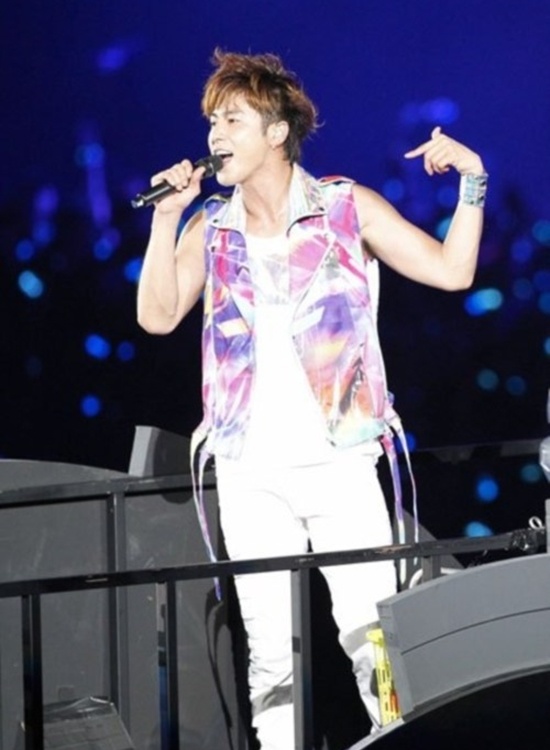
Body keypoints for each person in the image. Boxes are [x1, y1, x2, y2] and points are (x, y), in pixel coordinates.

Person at [136, 49, 486, 750]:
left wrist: (472, 181)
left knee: (373, 636)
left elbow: (452, 272)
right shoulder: (213, 225)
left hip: (338, 461)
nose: (214, 135)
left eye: (232, 120)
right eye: (211, 121)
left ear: (276, 132)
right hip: (248, 470)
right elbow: (158, 315)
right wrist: (166, 219)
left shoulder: (344, 209)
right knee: (271, 655)